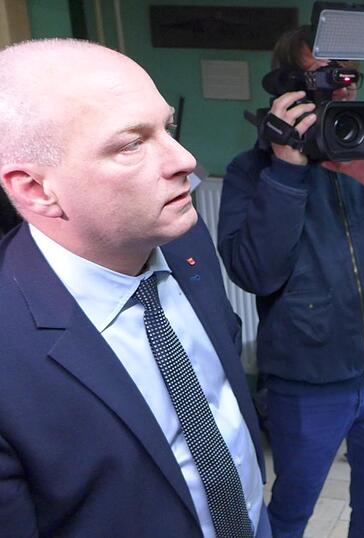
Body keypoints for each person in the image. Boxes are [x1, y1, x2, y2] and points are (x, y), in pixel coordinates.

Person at [0, 39, 270, 538]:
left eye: (167, 128)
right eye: (131, 144)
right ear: (36, 190)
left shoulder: (182, 232)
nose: (185, 160)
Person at [217, 25, 364, 538]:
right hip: (307, 386)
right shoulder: (250, 174)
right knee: (289, 513)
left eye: (350, 75)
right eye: (326, 74)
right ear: (287, 85)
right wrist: (286, 170)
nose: (342, 86)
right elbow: (255, 272)